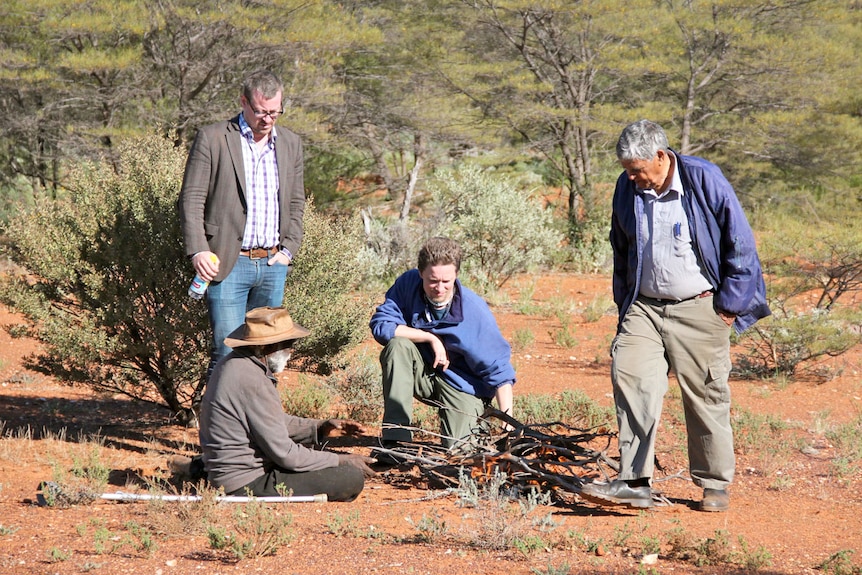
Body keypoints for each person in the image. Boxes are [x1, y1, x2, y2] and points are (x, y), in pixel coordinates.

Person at [580, 120, 771, 513]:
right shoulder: (626, 186)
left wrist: (729, 307)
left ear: (662, 157)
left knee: (705, 395)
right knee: (630, 377)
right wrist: (625, 304)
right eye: (627, 170)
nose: (633, 178)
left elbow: (741, 243)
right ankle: (634, 481)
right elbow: (621, 247)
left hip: (700, 306)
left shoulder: (703, 178)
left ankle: (714, 483)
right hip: (644, 306)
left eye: (638, 170)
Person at [179, 69, 306, 375]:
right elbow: (191, 198)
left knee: (268, 355)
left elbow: (296, 201)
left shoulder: (290, 143)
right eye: (261, 111)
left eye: (275, 112)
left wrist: (289, 250)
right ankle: (220, 423)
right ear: (244, 102)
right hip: (227, 265)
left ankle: (262, 424)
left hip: (273, 264)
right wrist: (198, 251)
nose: (268, 119)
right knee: (227, 352)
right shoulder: (213, 138)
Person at [198, 306, 375, 501]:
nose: (291, 351)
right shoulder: (252, 380)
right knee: (350, 479)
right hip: (245, 483)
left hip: (227, 473)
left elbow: (270, 421)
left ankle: (195, 469)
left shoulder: (233, 364)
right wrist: (341, 460)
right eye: (288, 344)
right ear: (266, 347)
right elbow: (286, 454)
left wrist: (318, 428)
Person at [369, 237, 515, 452]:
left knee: (460, 452)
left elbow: (499, 371)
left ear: (456, 275)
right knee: (397, 346)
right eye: (432, 281)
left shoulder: (473, 311)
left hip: (462, 385)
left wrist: (508, 420)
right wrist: (430, 338)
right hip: (424, 372)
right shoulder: (408, 284)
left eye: (446, 281)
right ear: (420, 274)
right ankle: (396, 440)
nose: (439, 288)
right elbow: (382, 325)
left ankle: (476, 422)